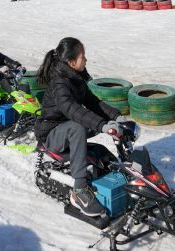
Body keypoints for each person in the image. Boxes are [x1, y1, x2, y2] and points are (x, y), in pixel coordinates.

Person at [35, 37, 126, 218]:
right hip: (52, 135)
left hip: (68, 129)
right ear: (71, 62)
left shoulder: (75, 78)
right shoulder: (59, 83)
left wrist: (116, 116)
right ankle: (79, 191)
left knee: (102, 154)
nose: (86, 60)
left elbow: (92, 102)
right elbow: (72, 109)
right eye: (83, 57)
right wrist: (102, 126)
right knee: (78, 126)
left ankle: (121, 175)